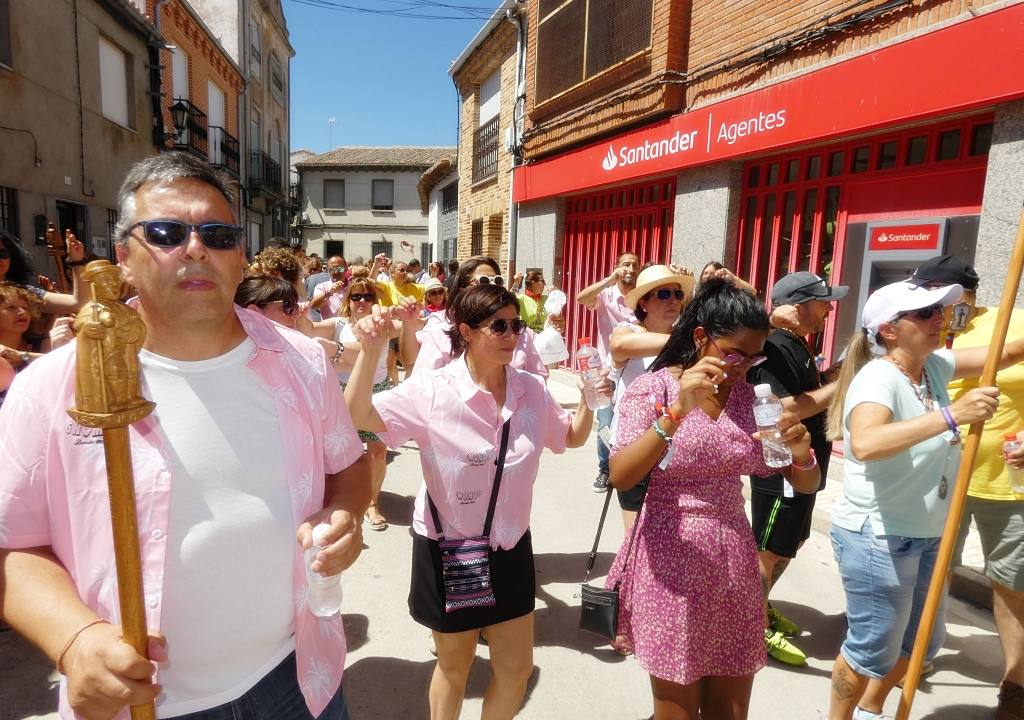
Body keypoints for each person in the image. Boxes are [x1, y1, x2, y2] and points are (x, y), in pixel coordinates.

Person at [0, 152, 370, 720]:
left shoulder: (302, 363)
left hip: (298, 679)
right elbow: (14, 546)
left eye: (218, 234)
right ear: (123, 257)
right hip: (145, 704)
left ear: (240, 257)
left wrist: (344, 513)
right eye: (166, 233)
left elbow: (348, 467)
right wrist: (74, 641)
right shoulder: (55, 387)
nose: (195, 249)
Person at [344, 284, 597, 720]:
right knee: (455, 664)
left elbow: (570, 437)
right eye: (498, 325)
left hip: (510, 544)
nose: (511, 333)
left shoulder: (531, 389)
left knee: (517, 669)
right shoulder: (434, 391)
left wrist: (591, 399)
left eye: (516, 324)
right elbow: (358, 416)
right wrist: (370, 352)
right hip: (449, 548)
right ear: (466, 329)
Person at [607, 278, 820, 720]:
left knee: (730, 710)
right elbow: (622, 474)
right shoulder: (656, 390)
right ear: (701, 336)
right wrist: (678, 412)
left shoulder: (753, 401)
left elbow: (803, 484)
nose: (743, 366)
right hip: (670, 556)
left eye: (754, 355)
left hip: (732, 558)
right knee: (676, 712)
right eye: (734, 353)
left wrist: (801, 454)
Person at [823, 278, 1024, 720]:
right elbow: (868, 443)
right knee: (870, 648)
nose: (941, 320)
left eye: (941, 311)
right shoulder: (878, 377)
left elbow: (1005, 354)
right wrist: (952, 415)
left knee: (917, 644)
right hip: (878, 537)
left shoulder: (934, 366)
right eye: (926, 313)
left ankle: (870, 710)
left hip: (928, 533)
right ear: (890, 330)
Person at [907, 255, 1024, 720]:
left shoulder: (1012, 321)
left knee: (1011, 586)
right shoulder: (925, 330)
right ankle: (917, 654)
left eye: (938, 296)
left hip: (1007, 483)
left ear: (963, 294)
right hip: (940, 477)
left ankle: (1015, 684)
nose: (933, 308)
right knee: (933, 570)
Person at [747, 271, 848, 668]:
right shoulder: (771, 345)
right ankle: (752, 626)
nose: (829, 308)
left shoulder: (797, 345)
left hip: (806, 465)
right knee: (767, 552)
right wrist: (838, 388)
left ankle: (762, 604)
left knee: (791, 543)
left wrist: (827, 377)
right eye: (823, 301)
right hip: (780, 468)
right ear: (799, 305)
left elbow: (803, 393)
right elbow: (782, 409)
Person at [608, 264, 694, 530]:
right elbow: (619, 346)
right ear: (643, 303)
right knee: (639, 537)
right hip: (637, 448)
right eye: (663, 294)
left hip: (679, 450)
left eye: (678, 295)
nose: (673, 301)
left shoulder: (688, 338)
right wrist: (689, 341)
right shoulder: (629, 331)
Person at [332, 277, 418, 531]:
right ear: (348, 300)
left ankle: (372, 503)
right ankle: (342, 503)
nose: (362, 301)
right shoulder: (337, 324)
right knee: (341, 453)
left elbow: (412, 330)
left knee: (377, 453)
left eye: (368, 296)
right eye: (356, 296)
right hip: (342, 392)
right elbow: (306, 330)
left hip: (377, 391)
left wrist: (409, 315)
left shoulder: (387, 324)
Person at [410, 256, 549, 378]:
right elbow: (418, 390)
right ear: (462, 289)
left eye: (497, 281)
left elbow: (539, 379)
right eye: (483, 282)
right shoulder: (439, 334)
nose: (491, 287)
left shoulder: (521, 333)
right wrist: (407, 322)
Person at [576, 250, 640, 492]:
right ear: (617, 267)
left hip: (635, 373)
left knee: (634, 422)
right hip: (606, 372)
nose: (630, 269)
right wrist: (609, 279)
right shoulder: (606, 295)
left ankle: (630, 469)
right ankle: (605, 469)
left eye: (635, 265)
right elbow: (582, 298)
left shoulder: (641, 298)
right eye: (626, 264)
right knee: (605, 422)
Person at [0, 227, 89, 315]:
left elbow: (79, 303)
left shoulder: (25, 293)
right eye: (11, 307)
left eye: (2, 253)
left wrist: (76, 260)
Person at [0, 282, 46, 407]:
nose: (22, 312)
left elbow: (59, 364)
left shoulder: (42, 343)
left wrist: (21, 356)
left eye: (26, 308)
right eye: (11, 308)